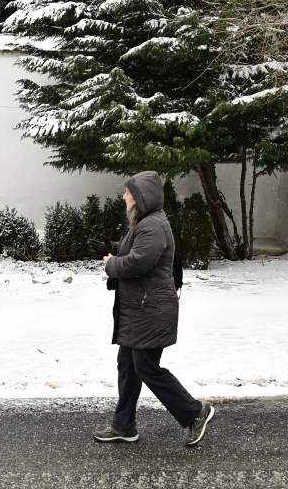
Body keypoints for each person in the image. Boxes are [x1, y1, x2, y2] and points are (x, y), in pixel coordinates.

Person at [91, 170, 214, 447]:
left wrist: (111, 264)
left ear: (140, 197)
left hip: (151, 311)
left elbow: (137, 263)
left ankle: (195, 412)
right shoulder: (144, 223)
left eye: (128, 192)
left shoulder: (153, 226)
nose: (124, 196)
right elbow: (133, 250)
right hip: (140, 309)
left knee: (146, 367)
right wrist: (111, 247)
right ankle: (124, 426)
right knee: (128, 365)